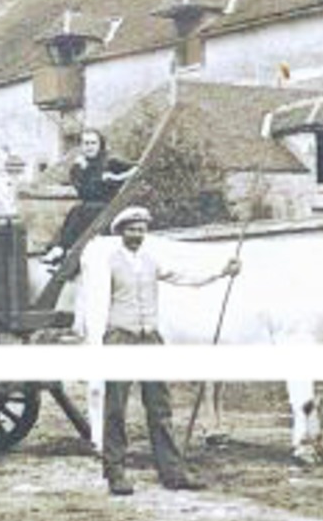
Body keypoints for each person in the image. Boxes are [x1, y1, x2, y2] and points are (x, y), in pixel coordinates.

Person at [99, 206, 240, 497]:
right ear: (121, 232)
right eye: (131, 229)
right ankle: (115, 473)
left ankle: (172, 472)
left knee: (160, 408)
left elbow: (185, 277)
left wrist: (221, 272)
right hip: (119, 339)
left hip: (151, 339)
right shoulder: (108, 263)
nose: (137, 234)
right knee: (116, 408)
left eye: (141, 229)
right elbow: (97, 304)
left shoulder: (152, 262)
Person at [42, 128, 136, 267]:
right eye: (86, 143)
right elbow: (83, 193)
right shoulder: (78, 166)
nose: (89, 147)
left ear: (100, 145)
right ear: (81, 146)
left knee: (79, 210)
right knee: (76, 210)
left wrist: (116, 177)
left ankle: (60, 249)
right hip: (88, 208)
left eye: (93, 143)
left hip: (108, 207)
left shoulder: (110, 162)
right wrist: (82, 171)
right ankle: (61, 252)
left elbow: (137, 168)